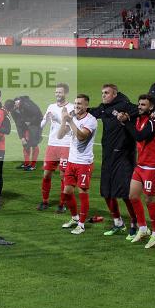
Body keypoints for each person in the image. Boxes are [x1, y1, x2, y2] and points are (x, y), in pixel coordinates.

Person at [90, 84, 139, 237]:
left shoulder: (125, 105)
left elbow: (140, 110)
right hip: (108, 155)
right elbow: (94, 112)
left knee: (125, 192)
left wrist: (128, 116)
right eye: (102, 93)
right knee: (106, 191)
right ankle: (118, 222)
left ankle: (135, 223)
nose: (103, 95)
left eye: (106, 93)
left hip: (124, 155)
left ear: (115, 94)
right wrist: (78, 109)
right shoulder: (105, 107)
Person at [118, 94, 155, 249]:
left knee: (149, 200)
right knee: (133, 196)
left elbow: (139, 136)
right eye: (139, 104)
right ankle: (143, 228)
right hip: (141, 165)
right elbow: (129, 116)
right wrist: (124, 117)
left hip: (153, 166)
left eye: (143, 105)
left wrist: (126, 122)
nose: (139, 107)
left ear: (150, 107)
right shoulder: (138, 118)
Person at [58, 94, 98, 235]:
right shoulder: (73, 117)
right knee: (67, 192)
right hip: (71, 161)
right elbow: (60, 135)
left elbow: (81, 137)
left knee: (83, 193)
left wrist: (71, 121)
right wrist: (65, 121)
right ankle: (75, 218)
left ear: (86, 105)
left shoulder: (91, 120)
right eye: (75, 103)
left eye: (80, 104)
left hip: (84, 162)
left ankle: (81, 225)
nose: (76, 106)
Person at [38, 83, 75, 211]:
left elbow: (69, 126)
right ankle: (44, 201)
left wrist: (57, 119)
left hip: (65, 145)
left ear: (66, 93)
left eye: (60, 92)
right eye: (56, 92)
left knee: (63, 176)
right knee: (47, 174)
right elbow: (42, 124)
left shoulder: (71, 108)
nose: (57, 94)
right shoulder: (51, 106)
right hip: (52, 145)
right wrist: (47, 119)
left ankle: (62, 204)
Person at [6, 95, 43, 171]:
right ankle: (26, 163)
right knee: (25, 143)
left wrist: (30, 122)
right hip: (25, 123)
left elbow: (38, 114)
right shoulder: (13, 110)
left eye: (12, 109)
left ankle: (33, 165)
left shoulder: (26, 104)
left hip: (35, 122)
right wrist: (22, 137)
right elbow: (17, 123)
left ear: (15, 104)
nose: (12, 111)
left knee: (33, 143)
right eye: (10, 111)